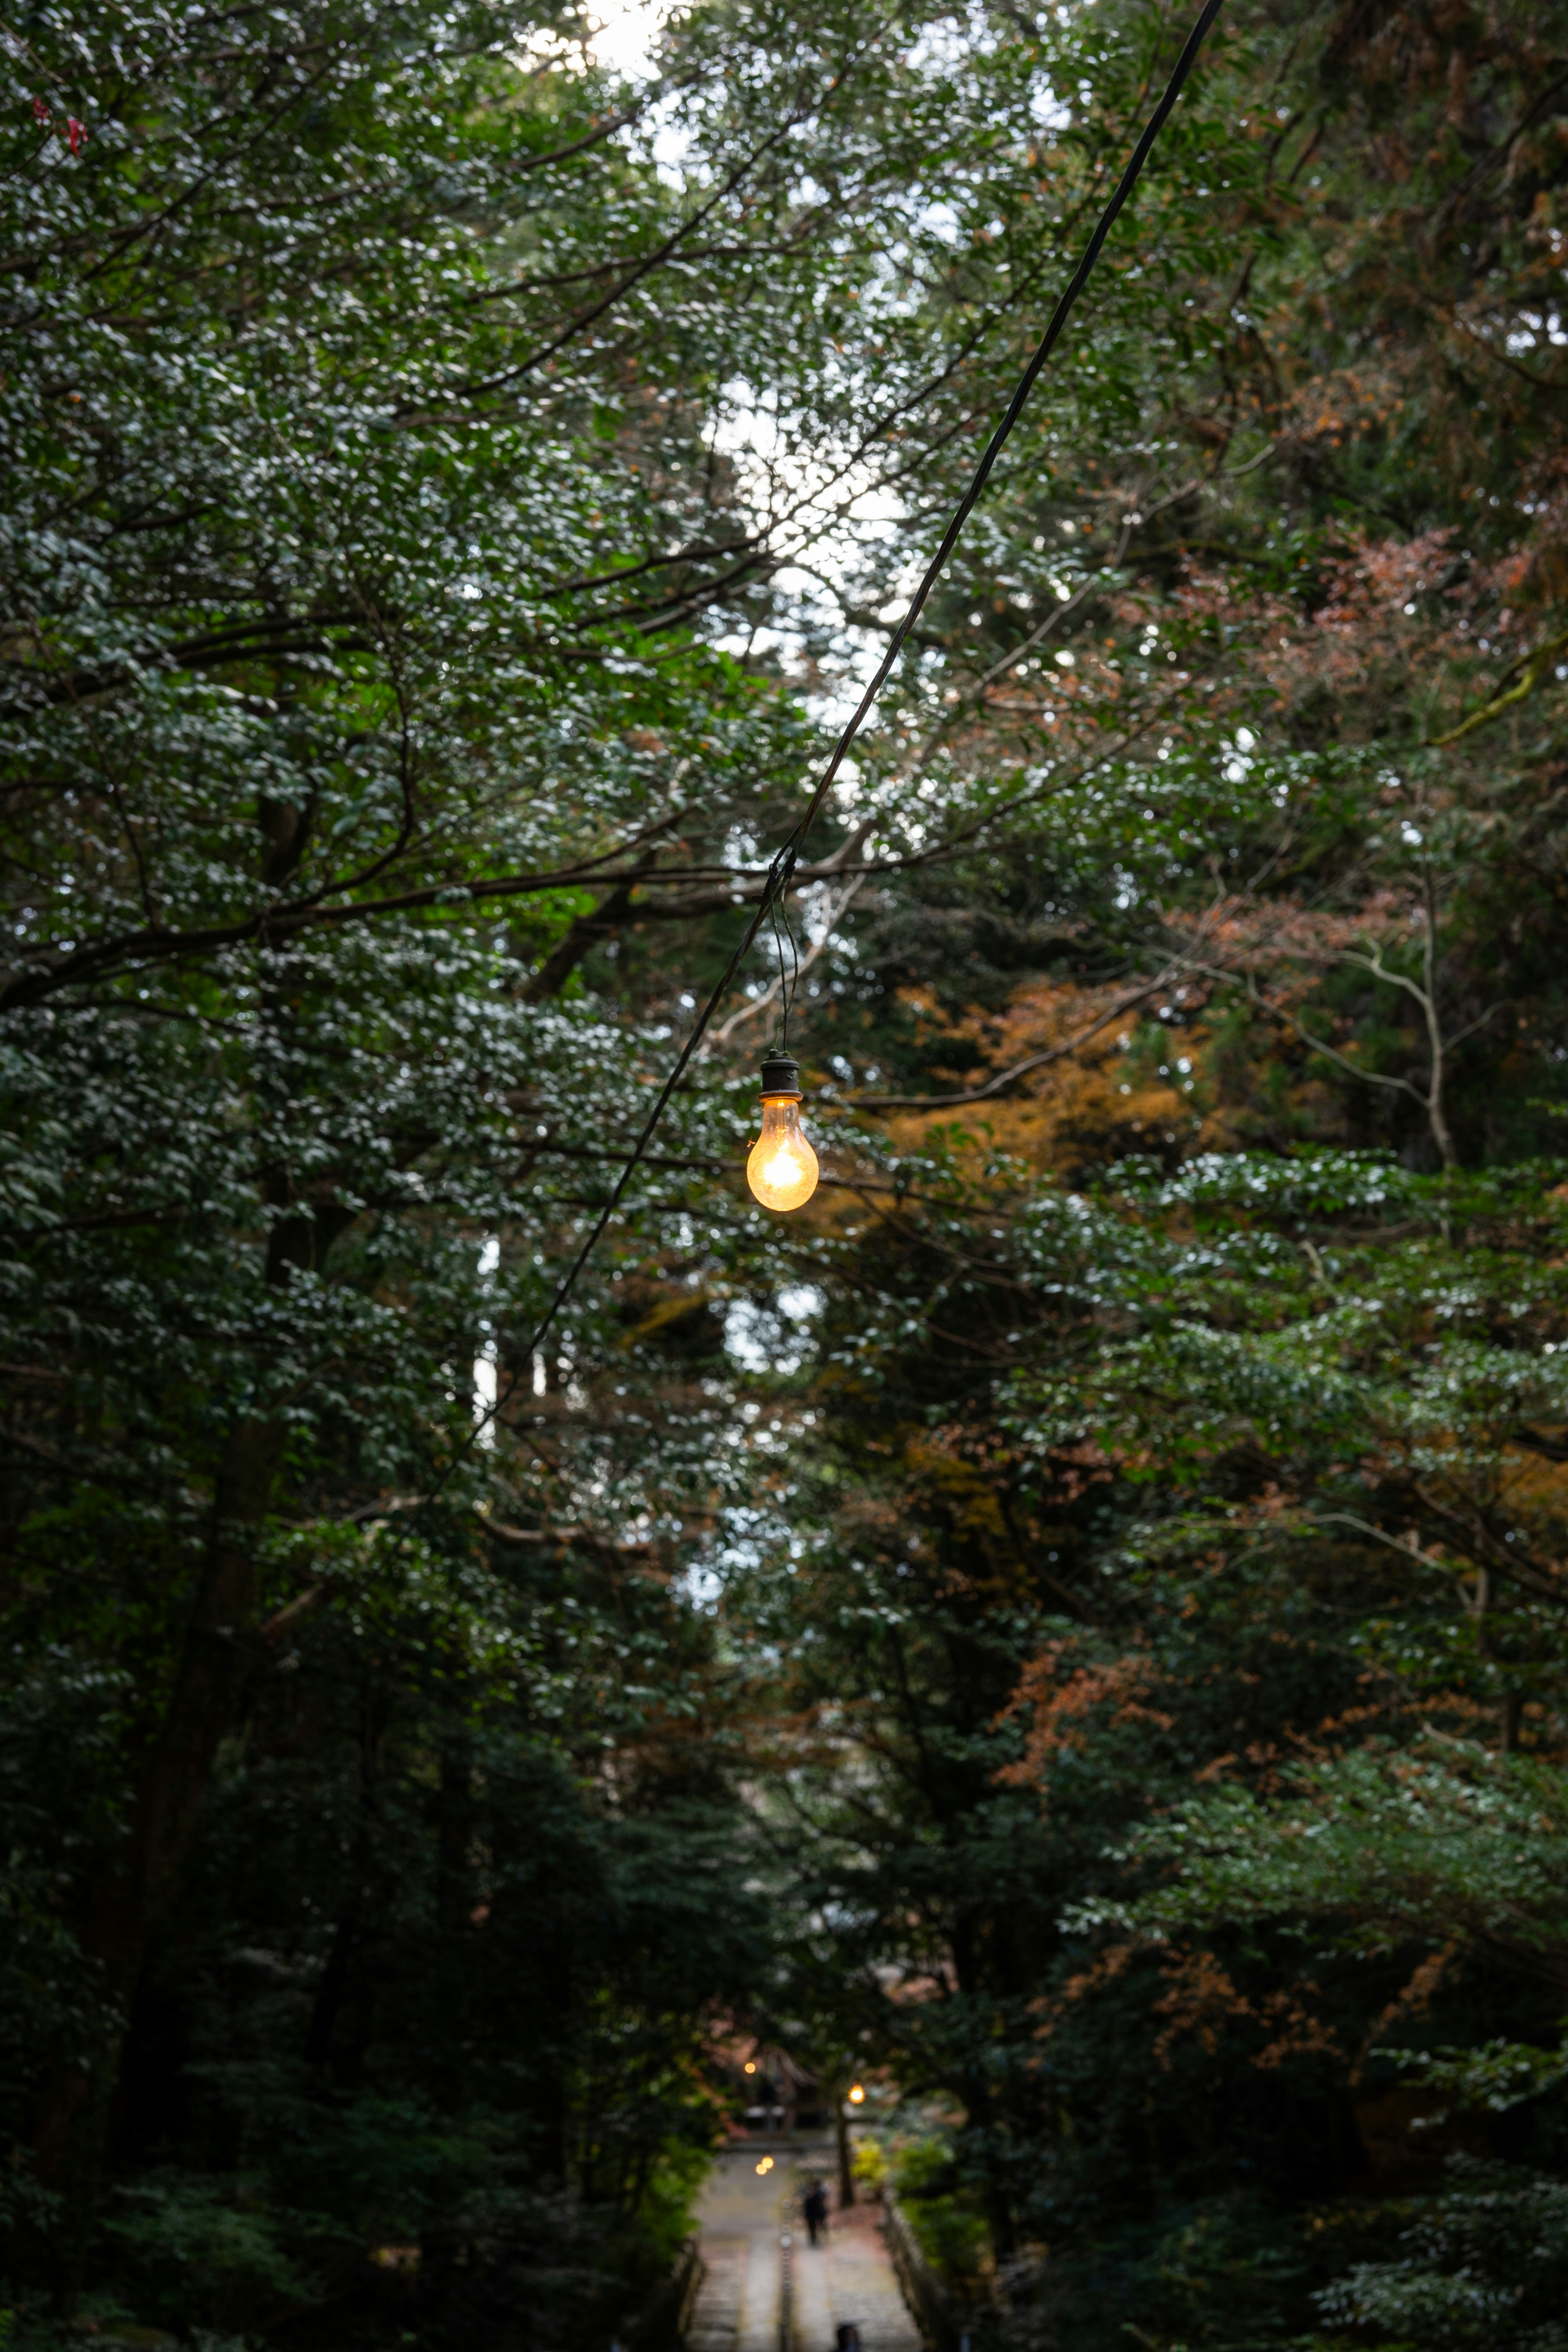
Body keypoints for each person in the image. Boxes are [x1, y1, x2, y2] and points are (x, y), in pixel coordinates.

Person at [803, 2179, 829, 2245]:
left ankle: (818, 2238)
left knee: (819, 2225)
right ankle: (813, 2238)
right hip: (810, 2213)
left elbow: (822, 2200)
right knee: (812, 2227)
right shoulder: (807, 2193)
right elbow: (806, 2204)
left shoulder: (819, 2193)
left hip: (817, 2212)